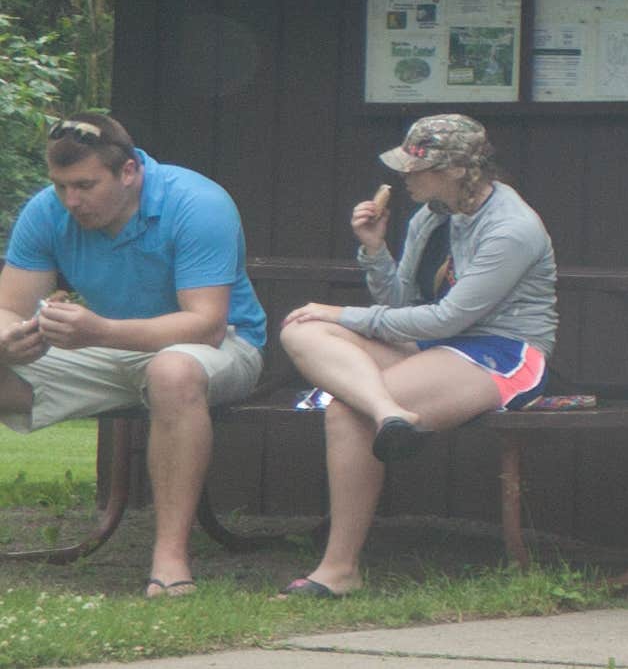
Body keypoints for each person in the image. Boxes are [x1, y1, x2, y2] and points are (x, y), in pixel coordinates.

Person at [275, 111, 560, 603]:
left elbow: (446, 319)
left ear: (454, 171)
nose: (403, 175)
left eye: (415, 166)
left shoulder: (512, 228)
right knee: (301, 328)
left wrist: (344, 313)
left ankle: (339, 569)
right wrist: (373, 250)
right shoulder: (432, 216)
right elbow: (404, 305)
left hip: (499, 352)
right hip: (432, 341)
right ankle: (389, 412)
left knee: (346, 408)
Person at [0, 112, 269, 596]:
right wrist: (9, 338)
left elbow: (206, 324)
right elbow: (7, 307)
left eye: (84, 185)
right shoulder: (46, 211)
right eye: (60, 186)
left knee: (172, 371)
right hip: (110, 348)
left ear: (129, 172)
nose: (71, 201)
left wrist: (100, 331)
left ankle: (169, 559)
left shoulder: (197, 202)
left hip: (221, 347)